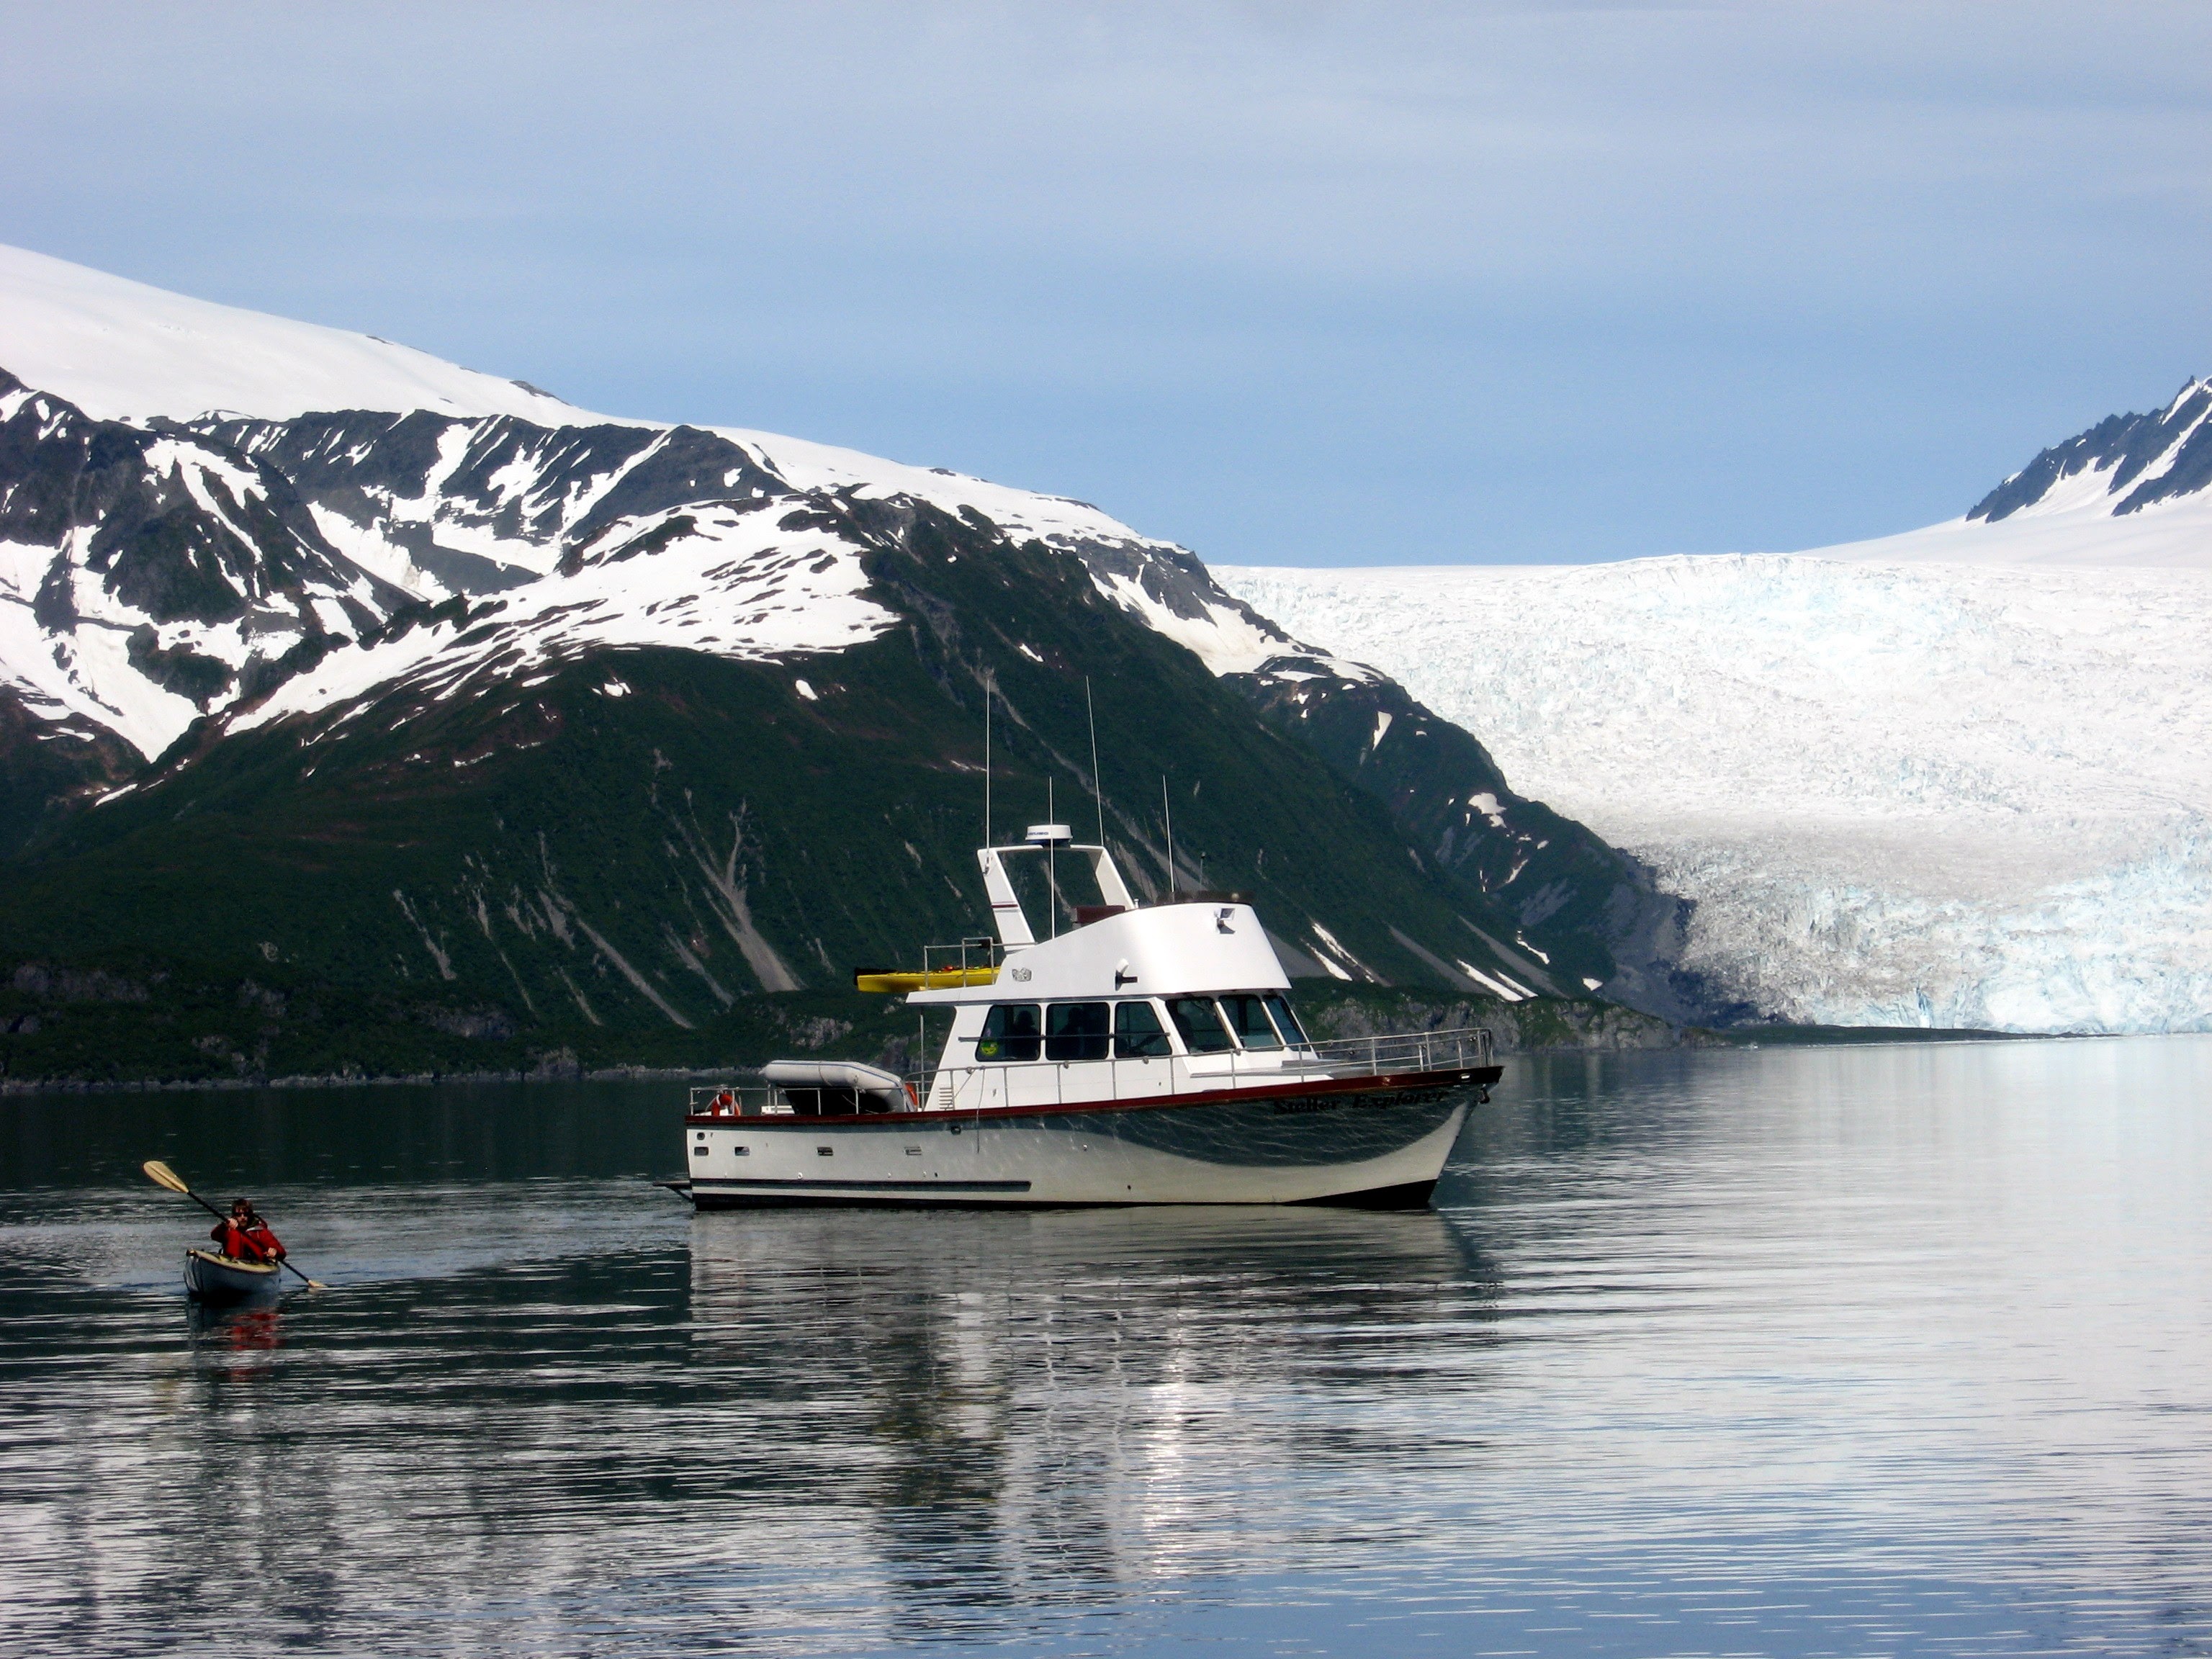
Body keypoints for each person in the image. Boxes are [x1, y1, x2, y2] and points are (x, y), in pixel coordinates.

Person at [210, 1198, 285, 1264]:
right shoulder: (227, 1228)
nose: (242, 1217)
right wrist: (224, 1226)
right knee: (235, 1234)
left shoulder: (260, 1231)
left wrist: (275, 1251)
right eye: (238, 1214)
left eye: (246, 1214)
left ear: (251, 1215)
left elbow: (281, 1252)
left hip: (255, 1264)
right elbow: (214, 1236)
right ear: (234, 1215)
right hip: (232, 1262)